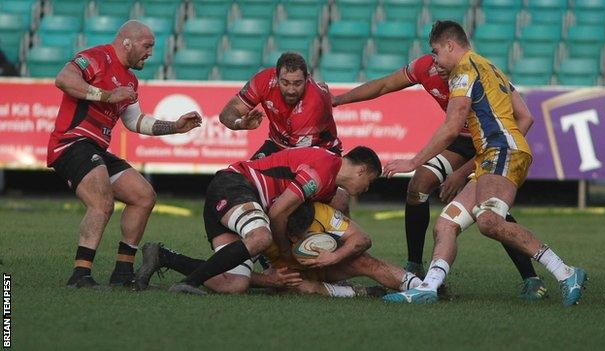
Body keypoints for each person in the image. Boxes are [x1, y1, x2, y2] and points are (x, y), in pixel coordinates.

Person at [382, 21, 586, 306]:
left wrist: (414, 161)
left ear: (450, 46)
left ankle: (565, 272)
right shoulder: (489, 67)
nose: (436, 60)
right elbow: (525, 116)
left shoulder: (463, 71)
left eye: (437, 52)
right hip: (496, 153)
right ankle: (428, 287)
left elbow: (452, 128)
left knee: (489, 221)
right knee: (446, 224)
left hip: (500, 150)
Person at [333, 54, 547, 299]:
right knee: (418, 184)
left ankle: (532, 279)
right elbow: (383, 85)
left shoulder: (477, 71)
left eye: (440, 56)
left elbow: (525, 118)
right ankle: (415, 266)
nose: (436, 65)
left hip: (492, 145)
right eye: (434, 57)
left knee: (489, 208)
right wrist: (338, 100)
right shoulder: (426, 67)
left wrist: (464, 172)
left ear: (451, 48)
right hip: (461, 142)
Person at [47, 20, 203, 289]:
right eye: (147, 46)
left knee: (143, 196)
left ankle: (122, 272)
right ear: (127, 42)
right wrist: (107, 95)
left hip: (96, 149)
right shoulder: (96, 57)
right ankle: (80, 275)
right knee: (102, 201)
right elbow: (64, 79)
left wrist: (174, 127)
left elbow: (135, 121)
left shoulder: (130, 80)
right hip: (71, 143)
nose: (151, 52)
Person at [164, 146, 381, 295]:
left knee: (233, 284)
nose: (367, 188)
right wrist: (286, 254)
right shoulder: (323, 170)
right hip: (236, 185)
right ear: (361, 170)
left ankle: (164, 256)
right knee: (261, 237)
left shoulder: (328, 182)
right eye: (370, 182)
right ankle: (188, 283)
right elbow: (278, 213)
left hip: (242, 202)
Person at [135, 201, 424, 297]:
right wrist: (269, 279)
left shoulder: (321, 212)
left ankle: (422, 287)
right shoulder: (261, 229)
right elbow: (232, 266)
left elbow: (361, 238)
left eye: (303, 234)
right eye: (293, 236)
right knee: (234, 281)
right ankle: (167, 257)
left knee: (366, 261)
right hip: (284, 269)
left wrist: (333, 255)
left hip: (327, 259)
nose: (297, 240)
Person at [218, 52, 350, 214]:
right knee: (248, 184)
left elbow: (297, 158)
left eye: (297, 83)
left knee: (334, 202)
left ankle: (345, 236)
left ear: (308, 79)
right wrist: (240, 123)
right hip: (279, 143)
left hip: (321, 151)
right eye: (285, 83)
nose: (291, 90)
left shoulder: (313, 104)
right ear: (276, 76)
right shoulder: (264, 80)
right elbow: (226, 114)